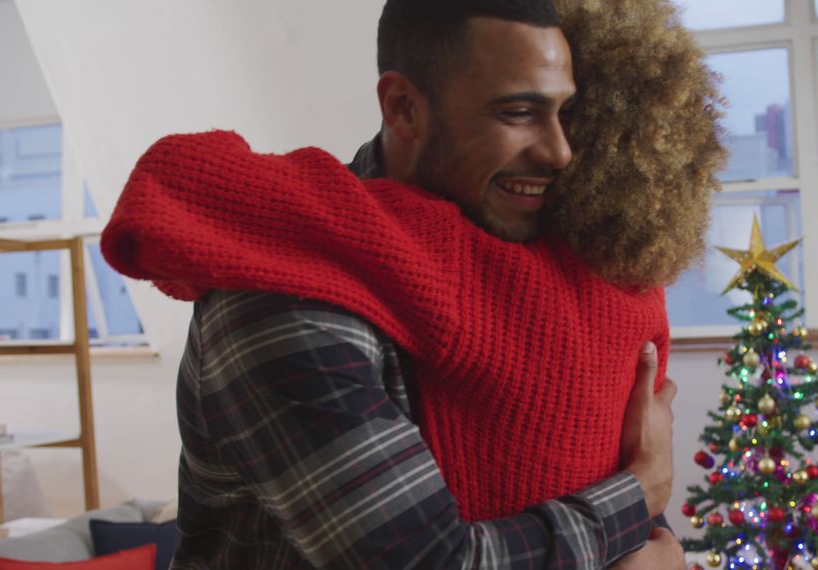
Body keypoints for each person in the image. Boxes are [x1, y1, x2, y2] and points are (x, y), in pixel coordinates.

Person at [101, 1, 696, 568]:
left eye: (563, 113)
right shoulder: (286, 291)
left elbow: (586, 464)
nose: (559, 152)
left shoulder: (539, 268)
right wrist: (639, 494)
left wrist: (650, 534)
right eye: (517, 112)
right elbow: (427, 561)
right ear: (403, 107)